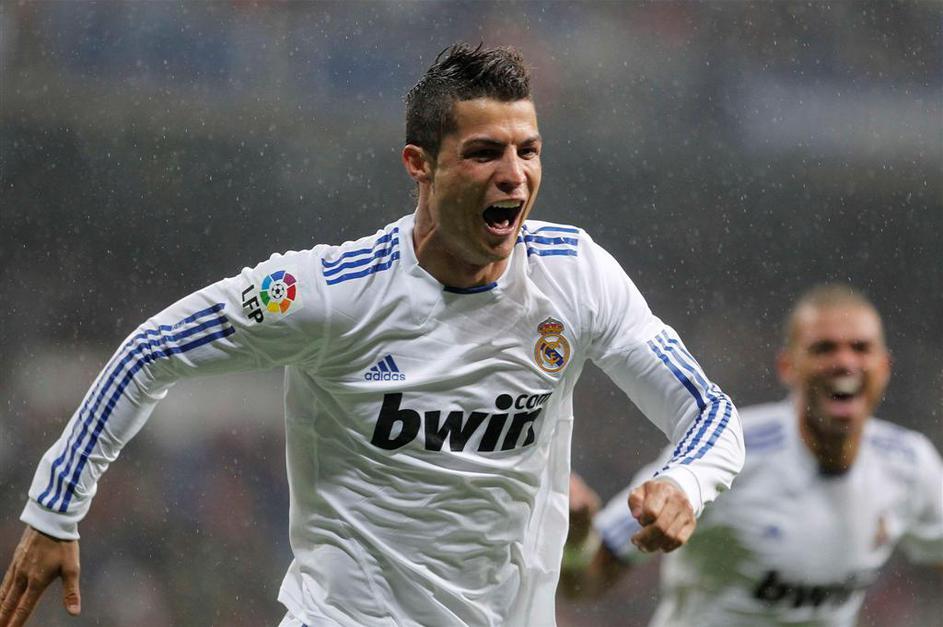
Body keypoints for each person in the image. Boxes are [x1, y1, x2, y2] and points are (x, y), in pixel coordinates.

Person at [0, 43, 744, 627]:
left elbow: (709, 413)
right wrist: (56, 505)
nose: (514, 175)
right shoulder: (334, 293)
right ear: (419, 165)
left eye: (528, 150)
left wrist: (685, 481)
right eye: (484, 152)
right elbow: (152, 349)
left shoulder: (575, 274)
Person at [561, 284, 943, 626]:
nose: (845, 362)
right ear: (787, 367)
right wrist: (576, 547)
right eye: (824, 348)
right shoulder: (725, 450)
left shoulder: (909, 465)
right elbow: (583, 583)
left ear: (884, 366)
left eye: (861, 348)